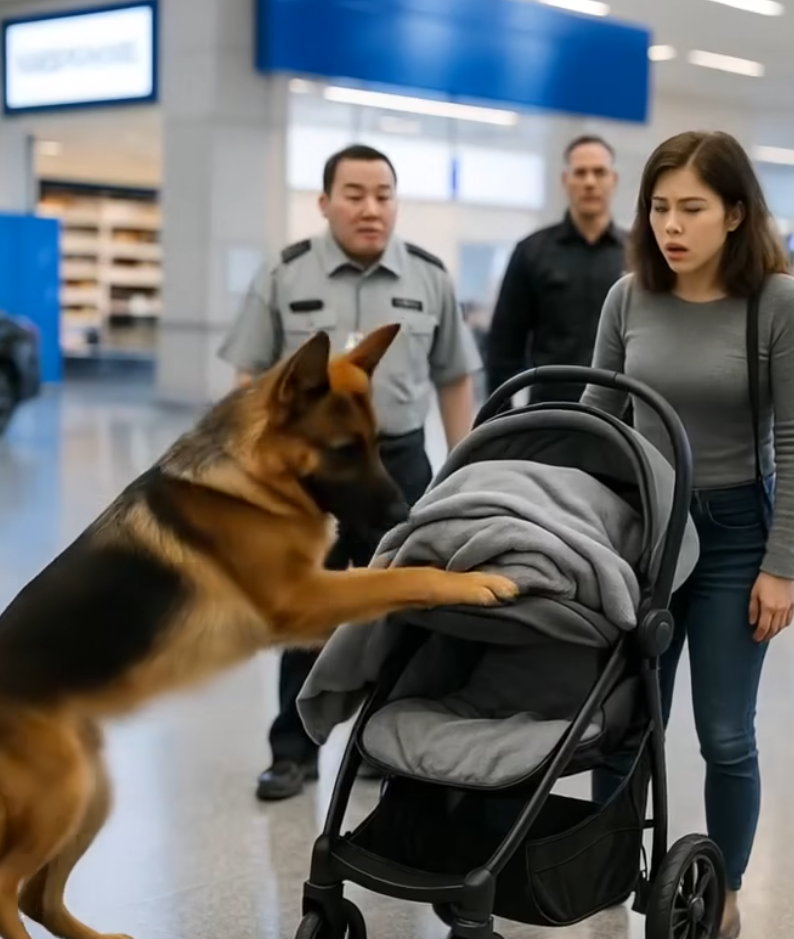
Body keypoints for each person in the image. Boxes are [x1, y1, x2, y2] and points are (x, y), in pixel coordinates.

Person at [583, 131, 794, 939]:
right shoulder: (627, 298)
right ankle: (605, 867)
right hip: (643, 538)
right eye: (658, 208)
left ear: (735, 213)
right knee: (620, 723)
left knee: (724, 732)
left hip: (731, 540)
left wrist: (780, 566)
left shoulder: (778, 304)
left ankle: (724, 890)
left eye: (691, 208)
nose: (670, 227)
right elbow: (597, 421)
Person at [219, 144, 481, 801]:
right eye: (355, 194)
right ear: (325, 202)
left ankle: (386, 747)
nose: (371, 208)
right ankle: (293, 751)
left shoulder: (428, 276)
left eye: (384, 194)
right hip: (310, 474)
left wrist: (465, 469)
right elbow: (250, 379)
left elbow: (453, 379)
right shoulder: (285, 275)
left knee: (402, 603)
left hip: (398, 462)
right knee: (306, 606)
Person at [484, 134, 627, 404]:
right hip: (550, 411)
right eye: (580, 172)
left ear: (614, 180)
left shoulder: (637, 256)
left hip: (621, 416)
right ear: (565, 180)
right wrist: (500, 425)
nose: (589, 182)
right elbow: (503, 348)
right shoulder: (531, 252)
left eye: (599, 172)